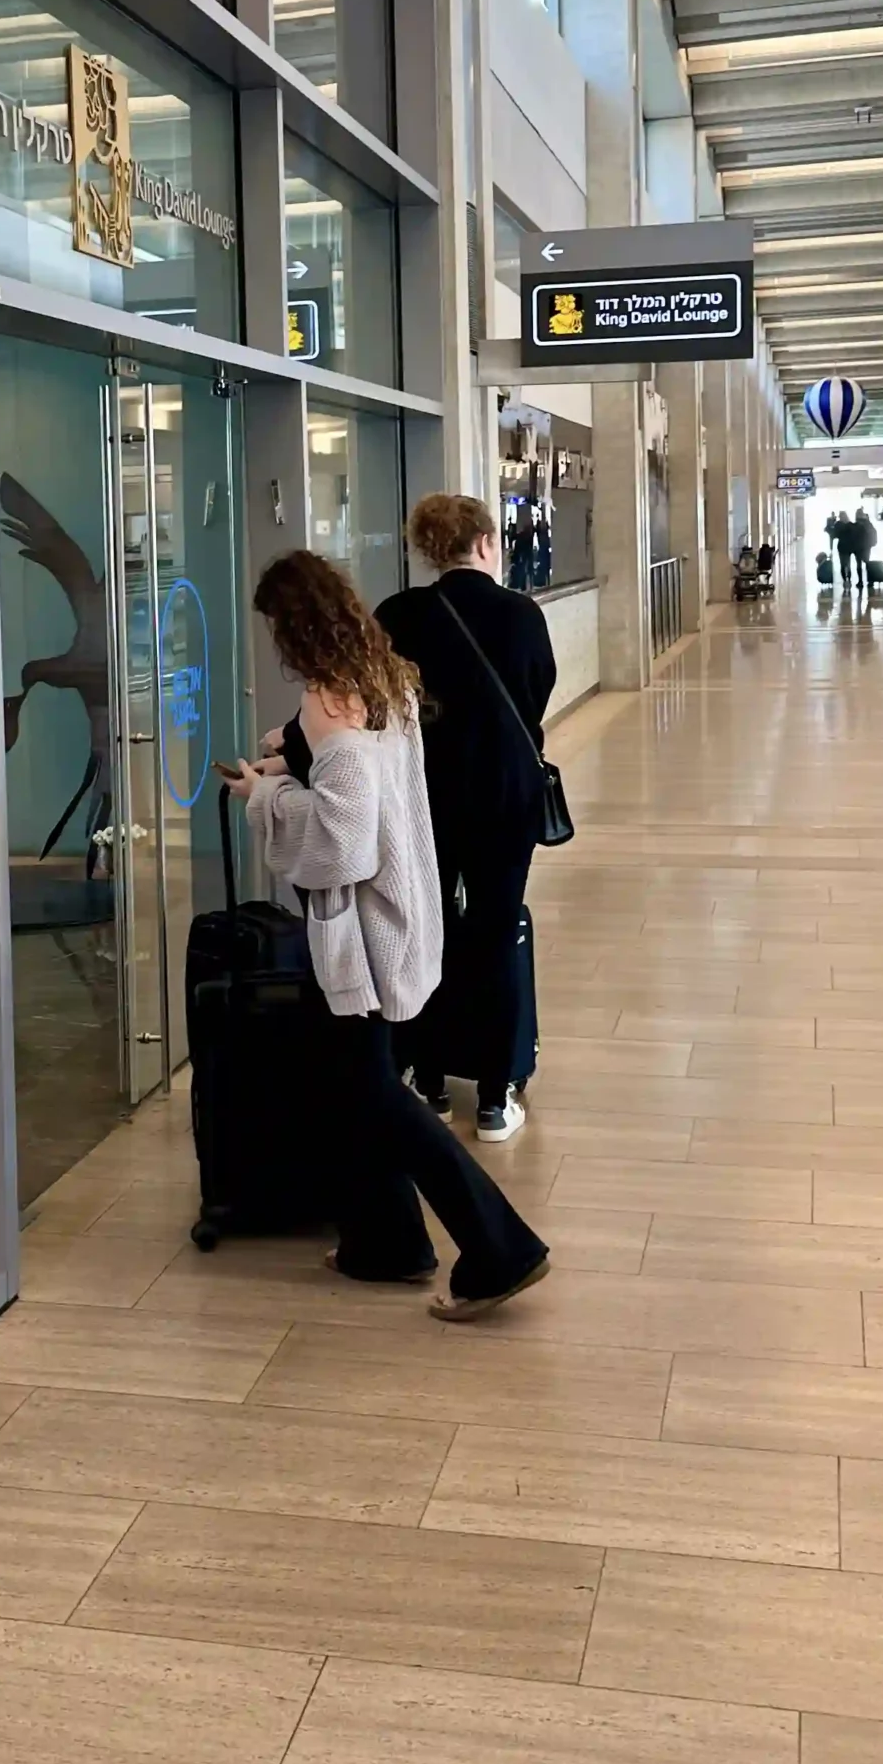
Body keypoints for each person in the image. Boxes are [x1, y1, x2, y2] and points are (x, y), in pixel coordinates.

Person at [228, 550, 548, 1321]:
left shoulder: (325, 701)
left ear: (291, 625)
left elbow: (343, 840)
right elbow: (364, 780)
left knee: (374, 1092)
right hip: (402, 913)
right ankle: (388, 1241)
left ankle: (499, 1244)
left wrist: (265, 795)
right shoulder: (384, 676)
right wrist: (295, 755)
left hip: (360, 932)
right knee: (353, 1086)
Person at [374, 494, 556, 1143]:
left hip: (422, 797)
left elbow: (380, 702)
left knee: (427, 928)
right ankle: (492, 1095)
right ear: (483, 542)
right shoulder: (519, 615)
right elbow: (536, 691)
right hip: (505, 798)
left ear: (428, 549)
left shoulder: (396, 615)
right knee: (495, 927)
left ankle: (426, 1076)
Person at [854, 506, 876, 594]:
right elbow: (873, 533)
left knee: (859, 564)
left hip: (858, 547)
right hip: (866, 546)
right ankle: (870, 581)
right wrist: (872, 543)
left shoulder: (856, 524)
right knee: (867, 563)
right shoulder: (868, 523)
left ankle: (860, 581)